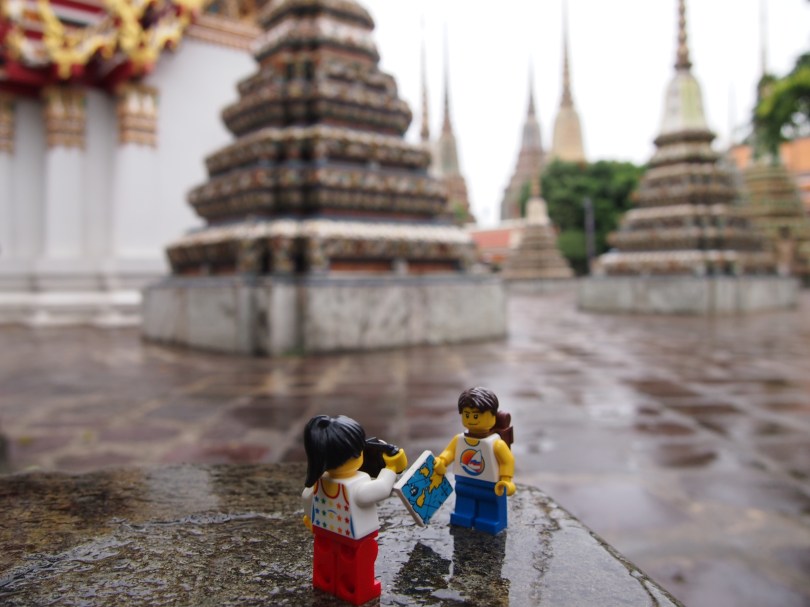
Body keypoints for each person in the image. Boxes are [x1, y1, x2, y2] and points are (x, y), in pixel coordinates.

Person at [301, 415, 407, 605]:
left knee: (326, 559)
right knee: (359, 563)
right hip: (356, 538)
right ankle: (359, 589)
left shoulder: (320, 480)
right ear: (352, 455)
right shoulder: (357, 485)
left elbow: (306, 497)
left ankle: (325, 581)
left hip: (325, 531)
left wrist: (310, 518)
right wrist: (391, 468)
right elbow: (382, 488)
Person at [433, 387, 516, 535]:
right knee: (464, 499)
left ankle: (489, 520)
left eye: (476, 415)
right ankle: (463, 516)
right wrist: (442, 460)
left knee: (489, 503)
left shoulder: (496, 443)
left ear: (493, 416)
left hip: (490, 484)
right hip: (464, 480)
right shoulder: (459, 439)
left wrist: (506, 479)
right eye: (467, 415)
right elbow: (450, 452)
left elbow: (507, 460)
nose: (471, 420)